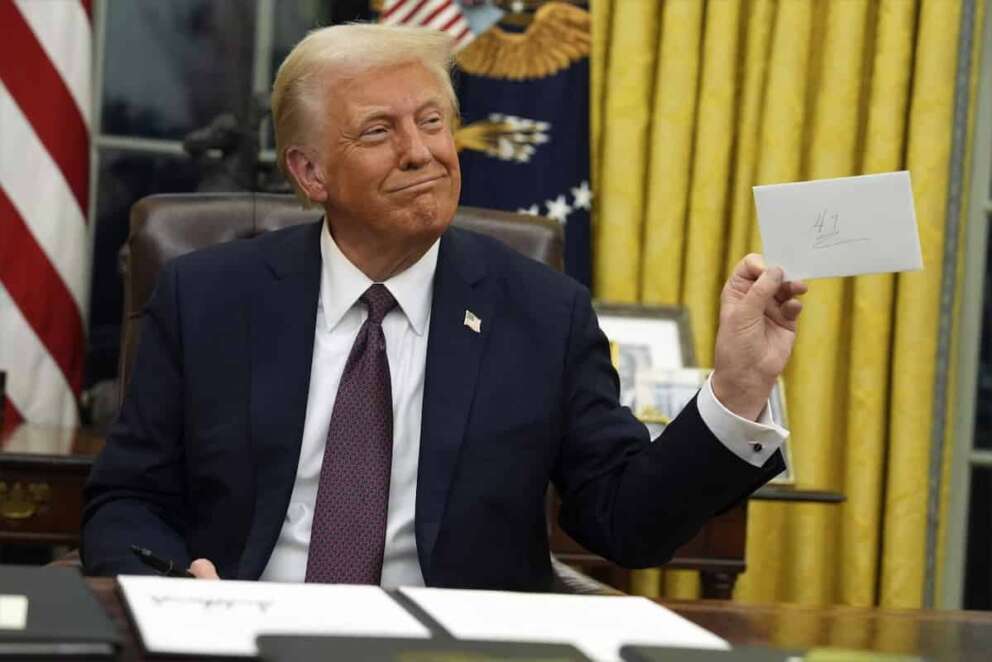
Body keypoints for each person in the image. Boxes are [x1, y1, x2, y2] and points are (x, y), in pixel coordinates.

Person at [82, 24, 807, 590]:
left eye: (432, 122)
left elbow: (629, 524)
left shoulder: (543, 314)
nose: (421, 152)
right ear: (308, 172)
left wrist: (738, 388)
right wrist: (175, 590)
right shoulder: (210, 297)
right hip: (247, 637)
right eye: (378, 131)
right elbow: (126, 502)